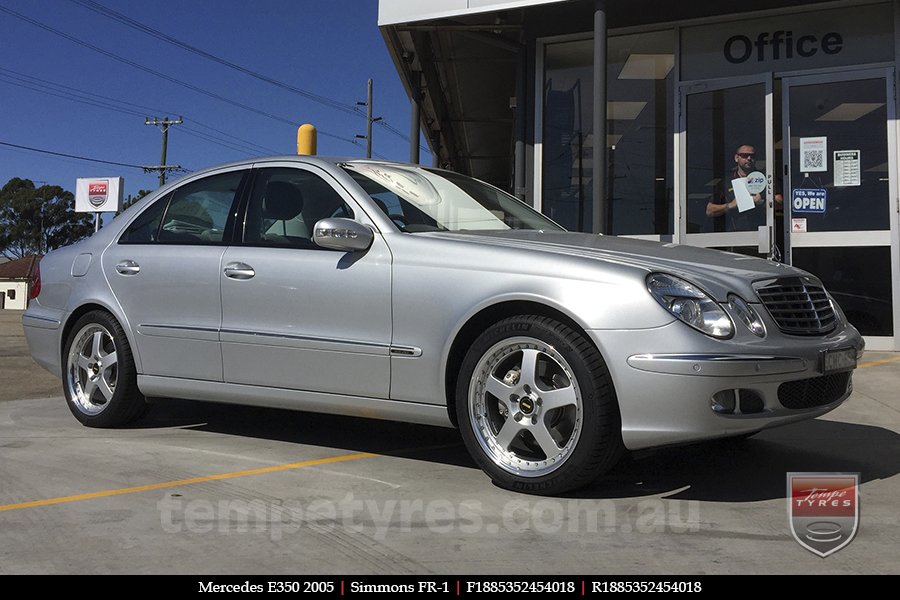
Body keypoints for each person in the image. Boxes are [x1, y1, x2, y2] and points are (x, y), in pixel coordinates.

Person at [706, 144, 767, 231]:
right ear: (736, 158)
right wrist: (731, 205)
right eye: (745, 155)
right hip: (736, 236)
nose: (749, 158)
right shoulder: (726, 182)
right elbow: (709, 210)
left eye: (752, 156)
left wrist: (764, 201)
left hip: (762, 233)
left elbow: (780, 201)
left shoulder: (765, 178)